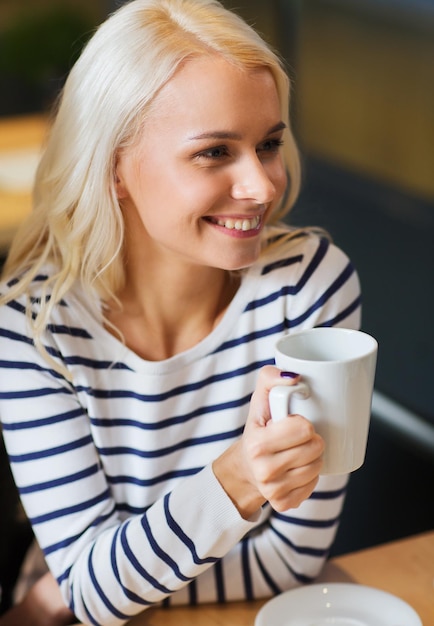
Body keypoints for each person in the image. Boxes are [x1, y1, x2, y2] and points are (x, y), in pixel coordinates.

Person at [0, 0, 362, 624]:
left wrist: (80, 584)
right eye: (214, 152)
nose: (263, 185)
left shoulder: (308, 287)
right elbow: (93, 594)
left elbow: (293, 560)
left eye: (269, 143)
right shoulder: (33, 332)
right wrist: (236, 482)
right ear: (113, 165)